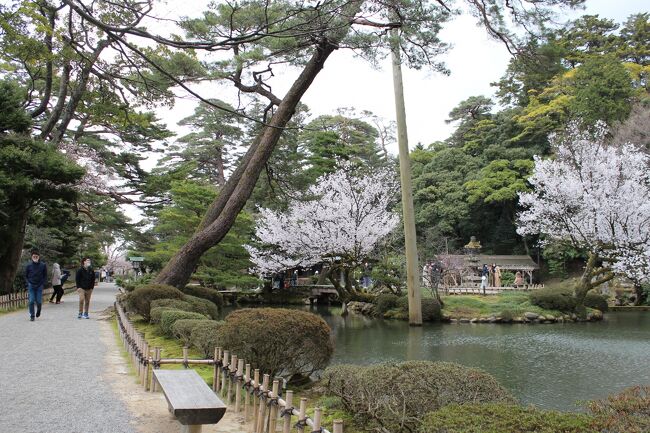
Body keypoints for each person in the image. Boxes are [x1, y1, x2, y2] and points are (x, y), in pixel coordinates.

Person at [25, 248, 47, 321]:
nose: (35, 258)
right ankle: (32, 315)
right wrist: (28, 282)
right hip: (31, 285)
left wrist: (42, 283)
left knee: (39, 301)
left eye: (36, 256)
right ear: (31, 257)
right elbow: (26, 276)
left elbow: (45, 276)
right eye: (34, 256)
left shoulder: (43, 265)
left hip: (39, 286)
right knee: (31, 301)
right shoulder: (28, 266)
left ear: (39, 257)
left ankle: (39, 310)